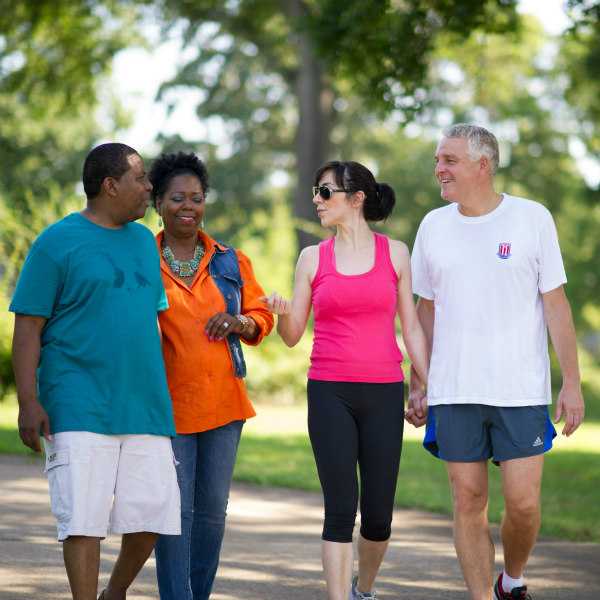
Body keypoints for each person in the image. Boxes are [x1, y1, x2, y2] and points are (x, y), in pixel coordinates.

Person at [408, 124, 585, 600]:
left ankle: (513, 575)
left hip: (520, 389)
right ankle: (482, 595)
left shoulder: (532, 219)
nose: (438, 168)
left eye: (449, 160)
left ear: (482, 164)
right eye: (438, 160)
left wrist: (571, 383)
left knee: (523, 504)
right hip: (454, 389)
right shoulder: (432, 226)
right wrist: (418, 383)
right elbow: (425, 309)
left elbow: (556, 305)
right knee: (468, 500)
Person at [9, 143, 181, 600]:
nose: (150, 187)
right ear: (110, 185)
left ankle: (114, 592)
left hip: (145, 405)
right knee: (83, 519)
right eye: (141, 178)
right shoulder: (56, 242)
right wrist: (29, 401)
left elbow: (150, 323)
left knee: (153, 516)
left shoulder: (145, 242)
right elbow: (27, 327)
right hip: (77, 400)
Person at [262, 161, 429, 600]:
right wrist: (281, 313)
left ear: (356, 199)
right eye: (315, 192)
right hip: (330, 390)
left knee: (378, 517)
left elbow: (411, 327)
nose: (315, 200)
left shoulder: (395, 253)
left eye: (325, 192)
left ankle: (364, 590)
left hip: (383, 391)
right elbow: (294, 335)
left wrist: (425, 383)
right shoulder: (312, 258)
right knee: (339, 509)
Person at [148, 151, 274, 600]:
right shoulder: (142, 258)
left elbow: (261, 315)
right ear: (157, 202)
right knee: (172, 513)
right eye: (177, 197)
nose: (188, 206)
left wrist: (238, 321)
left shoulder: (229, 260)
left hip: (224, 404)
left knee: (211, 515)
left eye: (196, 198)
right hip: (166, 406)